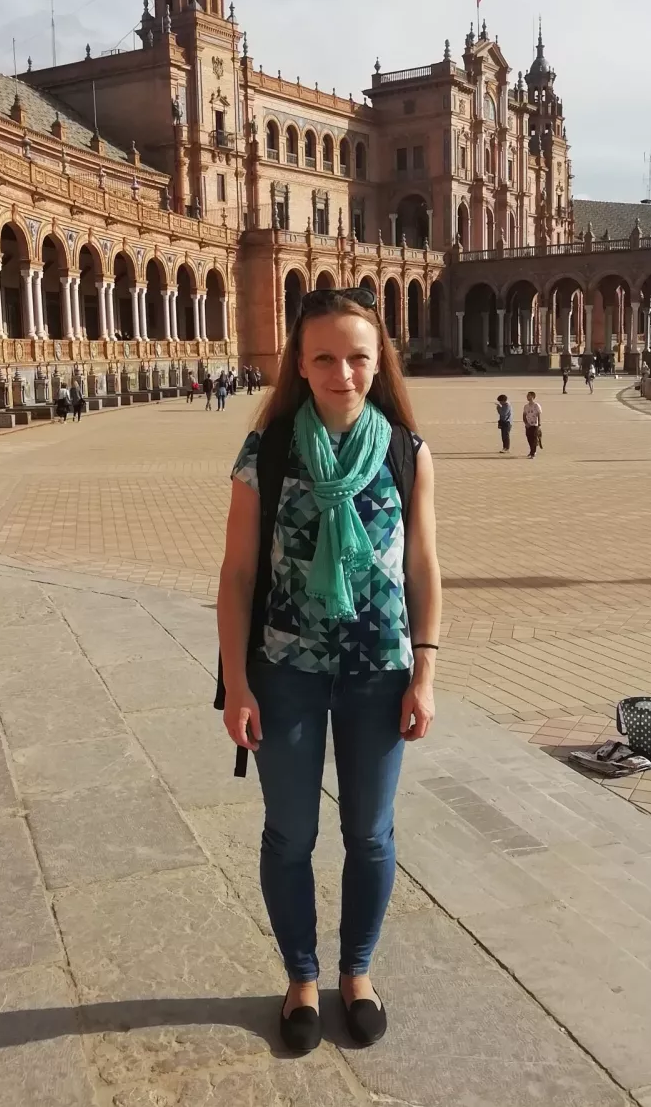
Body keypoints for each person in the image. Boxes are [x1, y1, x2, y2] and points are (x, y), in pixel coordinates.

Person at [217, 286, 439, 1054]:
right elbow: (238, 574)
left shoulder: (408, 452)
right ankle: (303, 977)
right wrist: (237, 683)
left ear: (379, 365)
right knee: (290, 834)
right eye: (325, 358)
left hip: (381, 669)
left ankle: (358, 974)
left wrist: (427, 672)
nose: (342, 372)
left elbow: (422, 568)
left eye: (357, 358)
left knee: (370, 836)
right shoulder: (268, 450)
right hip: (286, 669)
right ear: (300, 366)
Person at [522, 391, 542, 459]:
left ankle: (533, 453)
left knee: (533, 439)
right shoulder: (526, 406)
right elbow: (524, 415)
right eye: (527, 395)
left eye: (529, 395)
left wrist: (539, 423)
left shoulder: (536, 405)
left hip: (534, 425)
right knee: (529, 439)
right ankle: (531, 451)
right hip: (528, 425)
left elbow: (538, 414)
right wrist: (526, 423)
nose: (527, 397)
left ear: (533, 397)